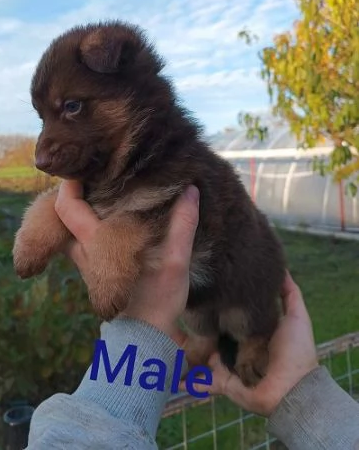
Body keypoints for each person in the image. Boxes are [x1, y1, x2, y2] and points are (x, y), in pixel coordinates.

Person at [26, 183, 359, 450]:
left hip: (237, 282)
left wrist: (136, 330)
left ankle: (249, 341)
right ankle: (204, 340)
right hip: (203, 296)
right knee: (198, 316)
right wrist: (300, 397)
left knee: (241, 315)